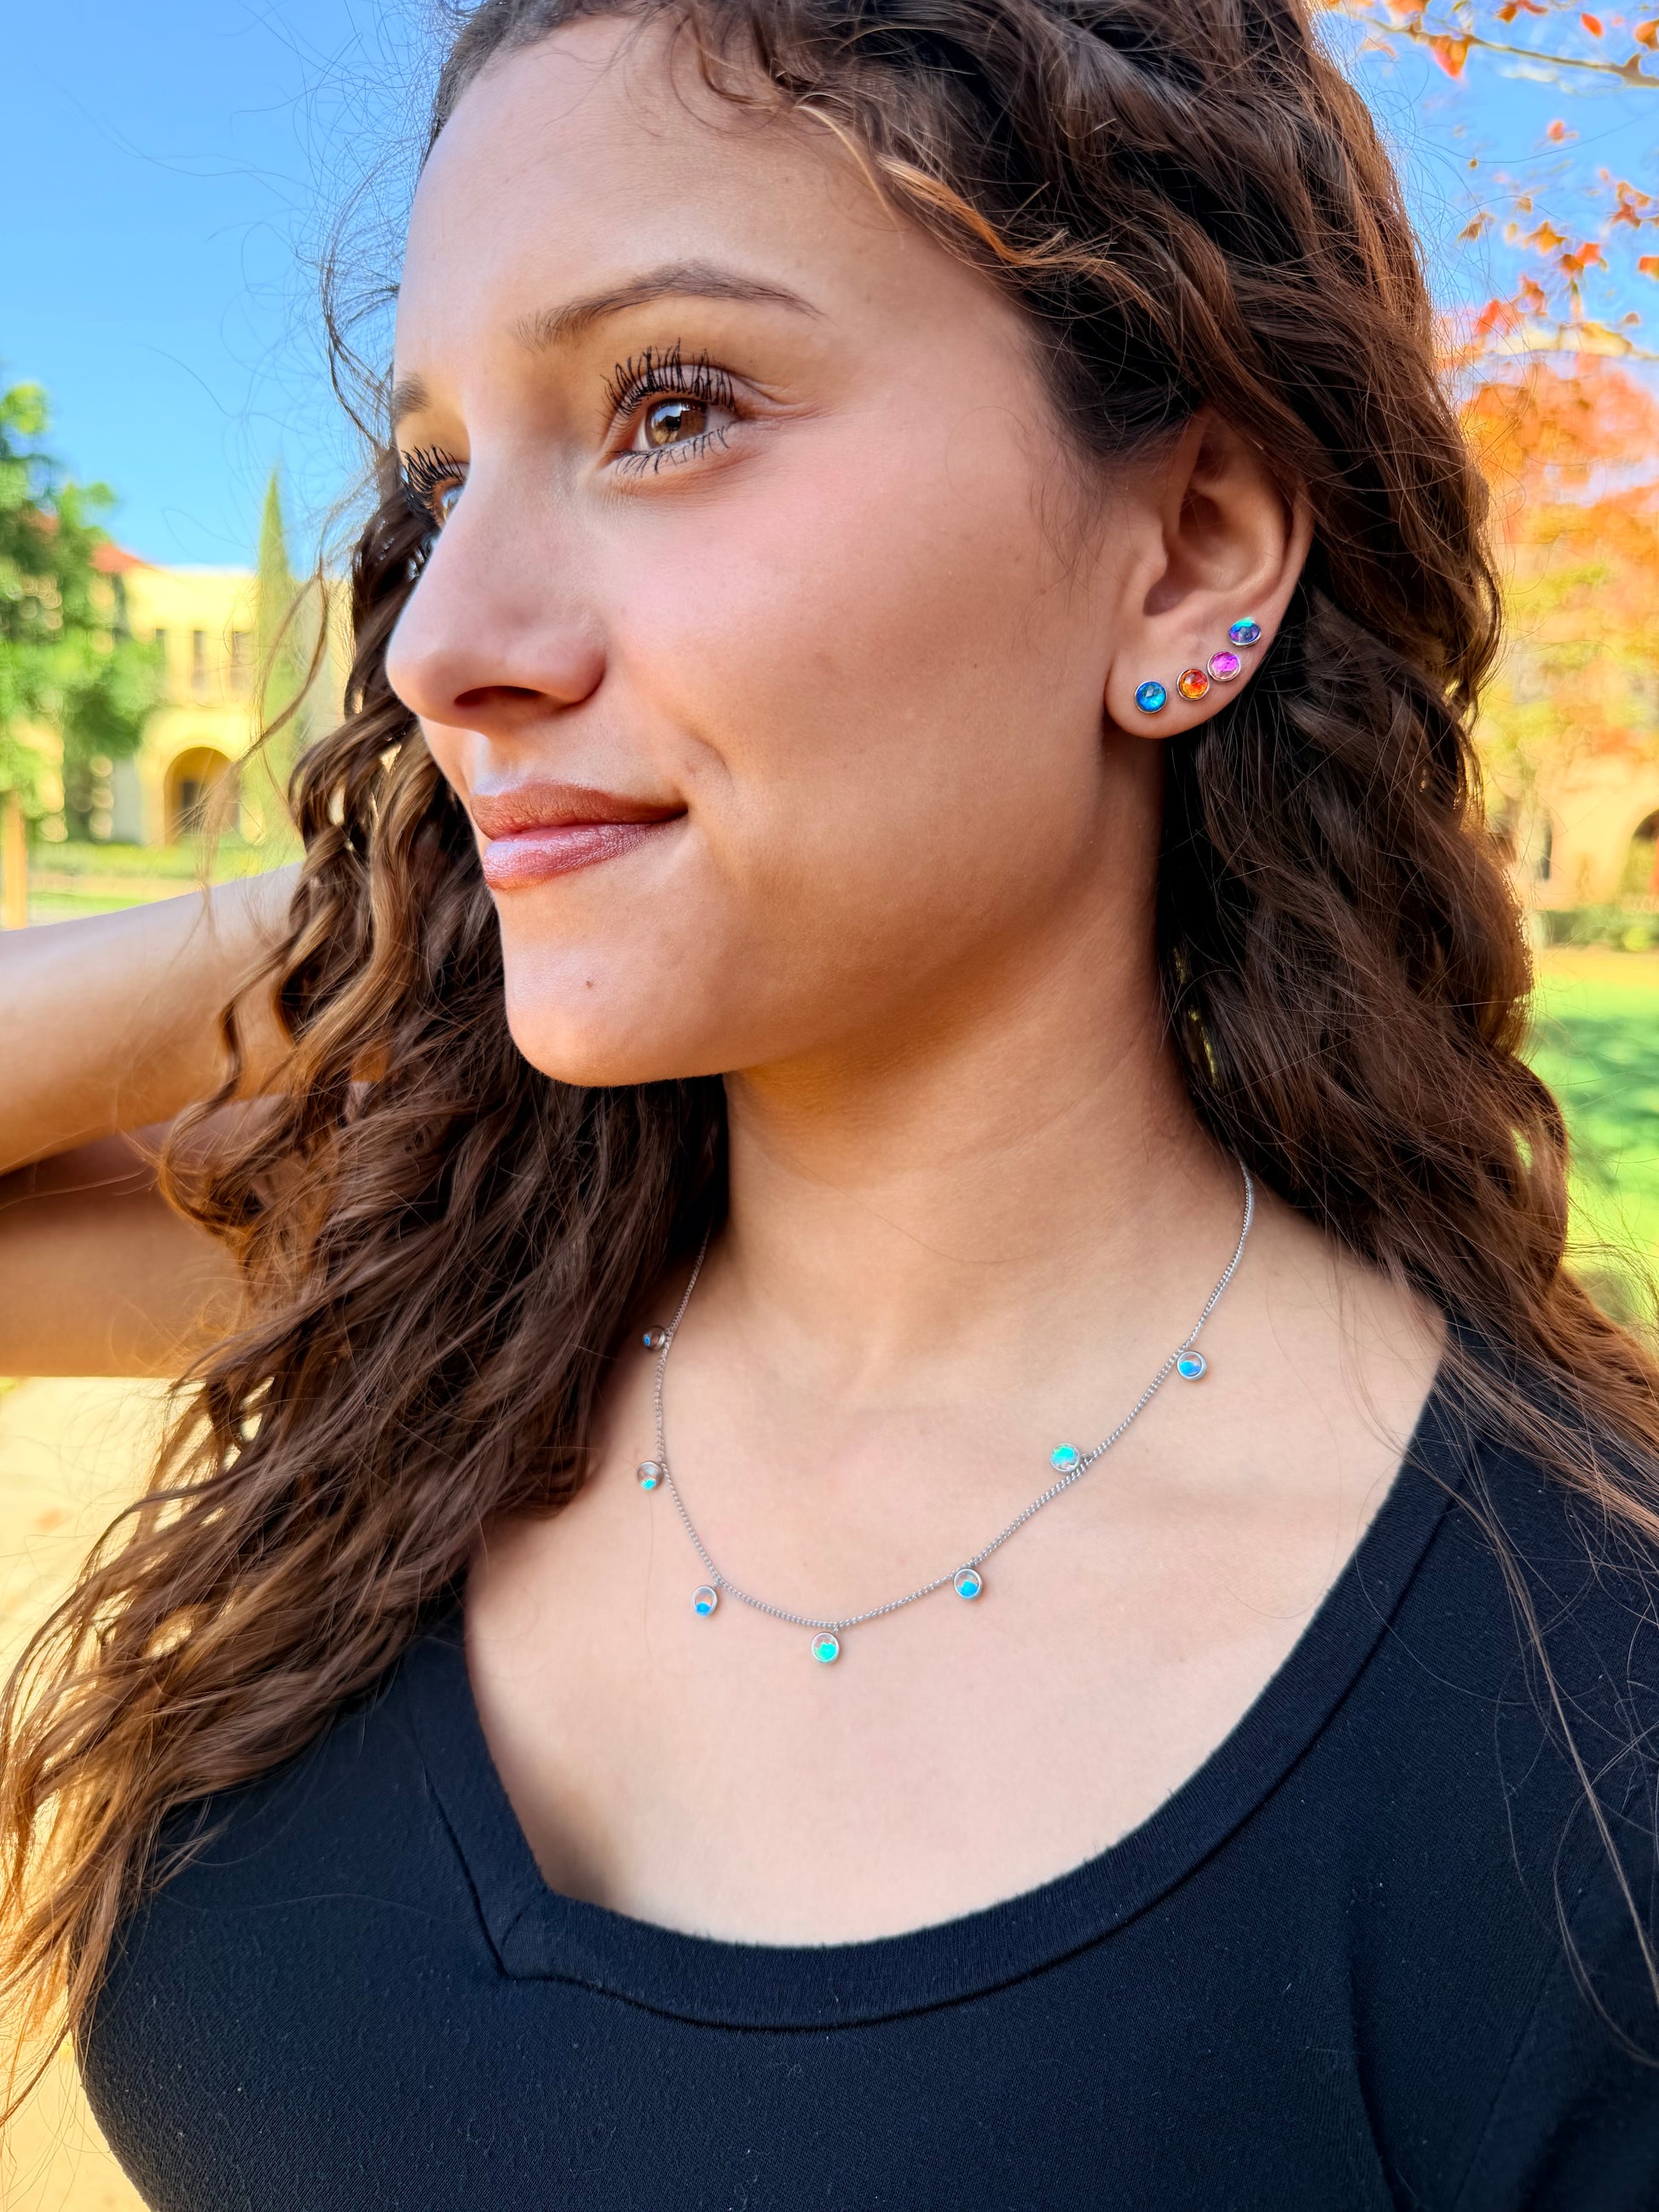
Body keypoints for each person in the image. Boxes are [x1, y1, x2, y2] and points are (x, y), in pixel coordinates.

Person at [4, 0, 1659, 2203]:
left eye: (669, 407)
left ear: (1184, 553)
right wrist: (393, 905)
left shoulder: (1575, 1741)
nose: (432, 643)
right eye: (438, 481)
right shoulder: (438, 1313)